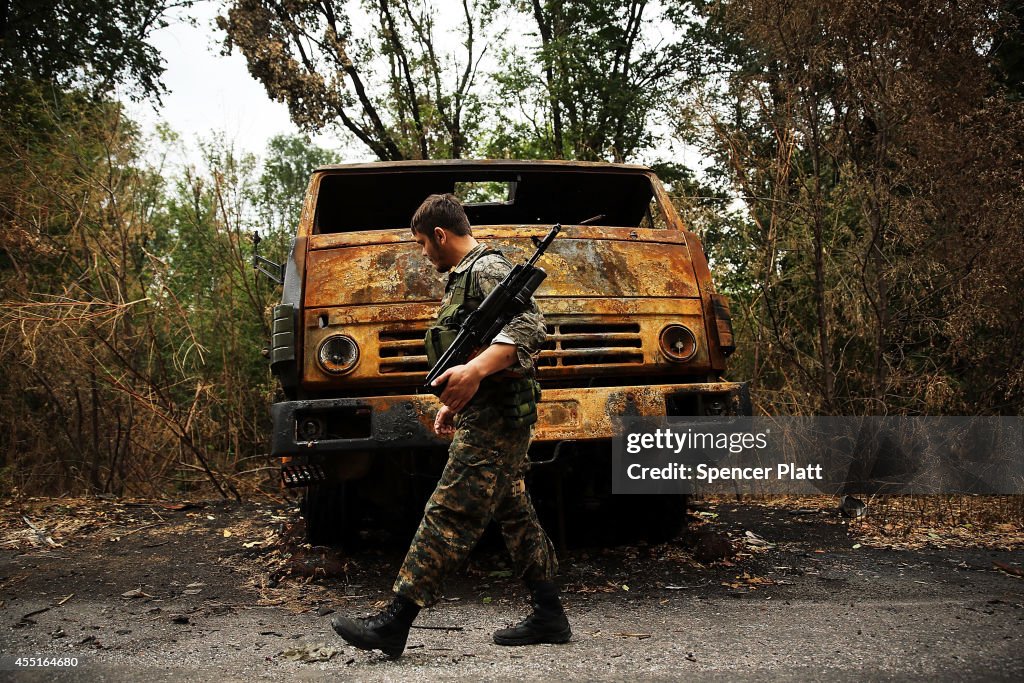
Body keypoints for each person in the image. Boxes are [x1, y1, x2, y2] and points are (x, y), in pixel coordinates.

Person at [331, 193, 571, 658]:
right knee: (514, 512)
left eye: (423, 244)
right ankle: (549, 613)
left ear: (439, 235)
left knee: (450, 509)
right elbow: (478, 347)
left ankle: (395, 621)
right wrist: (457, 401)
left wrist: (475, 373)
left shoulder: (485, 269)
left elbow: (530, 329)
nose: (424, 254)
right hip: (487, 410)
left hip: (500, 416)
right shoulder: (463, 279)